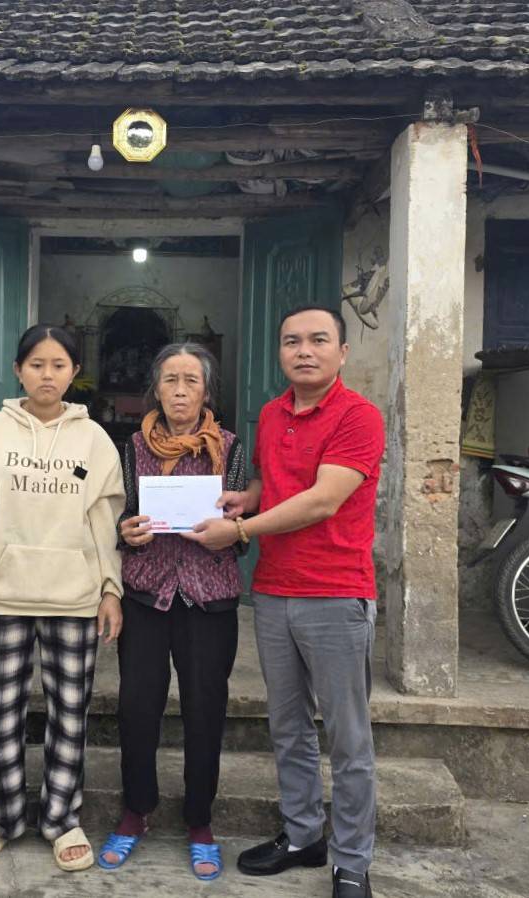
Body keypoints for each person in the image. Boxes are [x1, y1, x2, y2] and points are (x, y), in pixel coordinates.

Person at [183, 307, 384, 898]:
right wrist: (243, 499)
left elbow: (323, 500)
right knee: (288, 726)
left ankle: (352, 861)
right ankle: (303, 835)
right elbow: (277, 487)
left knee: (348, 738)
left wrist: (241, 533)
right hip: (272, 591)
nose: (304, 351)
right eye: (291, 341)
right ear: (280, 352)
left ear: (342, 352)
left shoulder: (359, 416)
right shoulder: (272, 415)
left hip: (336, 593)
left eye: (319, 340)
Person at [0, 324, 125, 873]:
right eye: (36, 364)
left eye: (58, 365)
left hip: (73, 597)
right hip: (3, 596)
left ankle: (61, 819)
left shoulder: (93, 441)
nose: (47, 375)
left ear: (75, 372)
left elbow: (105, 521)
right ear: (17, 370)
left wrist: (110, 588)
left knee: (69, 714)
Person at [97, 343, 248, 881]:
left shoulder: (230, 449)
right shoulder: (130, 446)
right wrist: (128, 534)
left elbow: (242, 528)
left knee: (206, 710)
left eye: (191, 380)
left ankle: (199, 821)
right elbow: (121, 518)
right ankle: (136, 811)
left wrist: (230, 532)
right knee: (138, 708)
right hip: (146, 594)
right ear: (155, 390)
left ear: (207, 391)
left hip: (210, 597)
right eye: (170, 380)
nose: (180, 390)